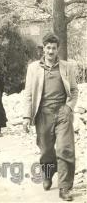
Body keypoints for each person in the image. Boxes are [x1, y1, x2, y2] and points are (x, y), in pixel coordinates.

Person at [23, 32, 78, 201]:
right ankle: (48, 172)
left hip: (62, 113)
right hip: (43, 114)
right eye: (48, 48)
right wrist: (26, 117)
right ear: (43, 49)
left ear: (57, 49)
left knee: (64, 149)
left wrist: (69, 107)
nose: (51, 51)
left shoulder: (67, 67)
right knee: (46, 150)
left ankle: (65, 187)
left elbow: (74, 91)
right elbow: (28, 94)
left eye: (54, 48)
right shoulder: (33, 68)